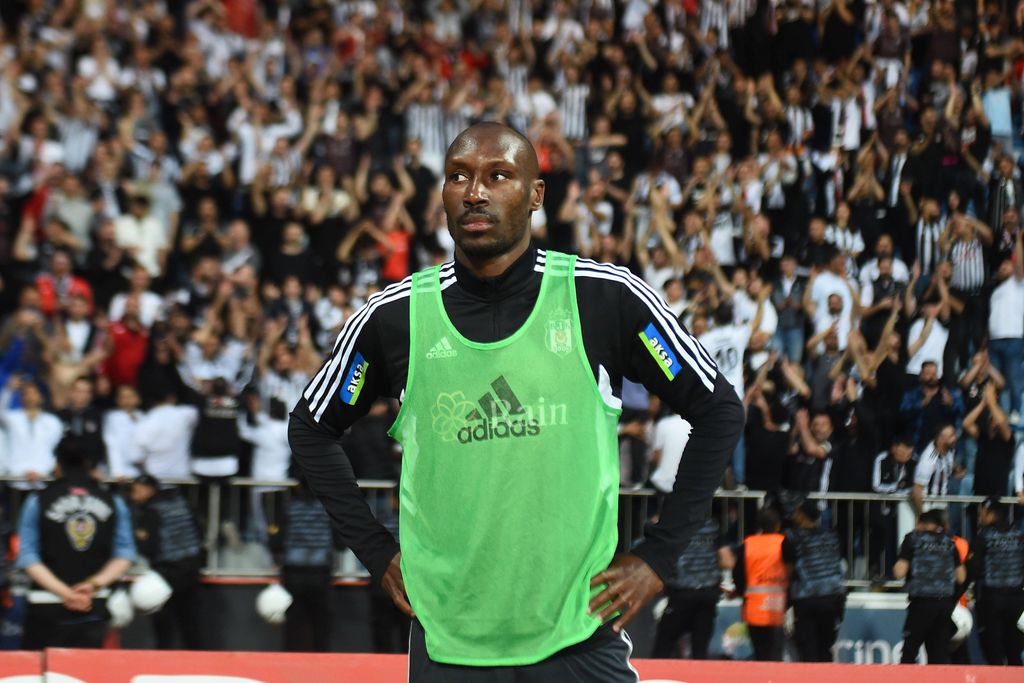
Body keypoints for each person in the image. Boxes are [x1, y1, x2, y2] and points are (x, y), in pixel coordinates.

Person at [288, 122, 743, 679]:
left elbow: (720, 409)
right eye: (459, 177)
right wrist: (377, 553)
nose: (474, 192)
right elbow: (310, 428)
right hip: (450, 645)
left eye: (498, 176)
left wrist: (659, 555)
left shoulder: (603, 296)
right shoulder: (394, 315)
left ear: (535, 195)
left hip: (578, 638)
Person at [14, 435, 136, 648]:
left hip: (45, 603)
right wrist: (91, 585)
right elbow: (124, 554)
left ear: (57, 464)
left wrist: (65, 593)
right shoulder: (113, 501)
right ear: (92, 465)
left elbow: (27, 556)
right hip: (94, 602)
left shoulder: (38, 501)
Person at [130, 474, 204, 650]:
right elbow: (198, 530)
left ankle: (163, 659)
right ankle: (198, 659)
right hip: (191, 566)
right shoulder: (180, 502)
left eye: (136, 491)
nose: (134, 497)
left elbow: (149, 546)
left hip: (167, 571)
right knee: (191, 621)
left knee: (164, 624)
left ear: (148, 490)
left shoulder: (151, 511)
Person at [650, 516, 734, 659]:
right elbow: (728, 561)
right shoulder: (712, 525)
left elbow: (660, 557)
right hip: (707, 596)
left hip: (680, 595)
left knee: (662, 651)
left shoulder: (672, 523)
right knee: (700, 653)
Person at [268, 476, 335, 652]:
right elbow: (339, 542)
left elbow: (277, 541)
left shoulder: (290, 508)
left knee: (294, 623)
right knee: (321, 622)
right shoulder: (328, 510)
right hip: (320, 571)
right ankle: (323, 657)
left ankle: (292, 659)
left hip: (294, 572)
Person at [893, 509, 967, 665]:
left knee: (909, 652)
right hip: (944, 604)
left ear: (921, 523)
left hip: (921, 604)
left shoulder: (912, 539)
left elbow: (900, 572)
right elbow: (961, 576)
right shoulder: (949, 542)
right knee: (938, 654)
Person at [783, 500, 846, 662]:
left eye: (797, 512)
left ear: (802, 515)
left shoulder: (791, 537)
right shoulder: (832, 535)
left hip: (806, 599)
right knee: (825, 648)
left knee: (807, 649)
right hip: (832, 597)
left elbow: (788, 571)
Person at [967, 496, 1024, 666]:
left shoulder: (982, 537)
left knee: (992, 650)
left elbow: (974, 570)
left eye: (981, 513)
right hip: (1016, 600)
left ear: (991, 514)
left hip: (990, 601)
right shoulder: (1019, 536)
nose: (979, 517)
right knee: (1014, 650)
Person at [733, 506, 788, 661]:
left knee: (760, 654)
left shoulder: (748, 544)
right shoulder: (784, 543)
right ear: (778, 524)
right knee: (775, 656)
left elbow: (737, 574)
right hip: (777, 609)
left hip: (754, 609)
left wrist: (742, 593)